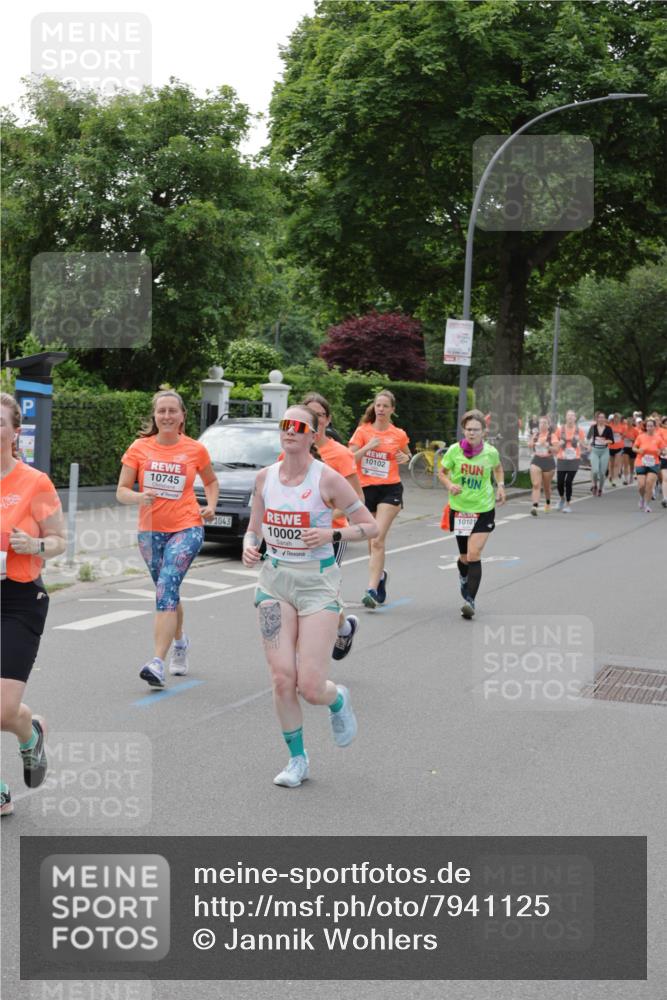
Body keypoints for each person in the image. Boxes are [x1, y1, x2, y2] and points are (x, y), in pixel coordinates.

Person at [242, 404, 378, 788]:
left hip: (317, 587)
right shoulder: (264, 479)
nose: (290, 431)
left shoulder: (329, 479)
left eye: (299, 426)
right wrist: (250, 546)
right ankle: (297, 760)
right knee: (282, 678)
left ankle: (338, 700)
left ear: (313, 435)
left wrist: (331, 535)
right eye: (285, 424)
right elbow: (254, 529)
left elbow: (368, 527)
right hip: (274, 584)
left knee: (310, 686)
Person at [116, 390, 219, 688]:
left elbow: (211, 481)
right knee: (167, 591)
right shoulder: (139, 448)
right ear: (155, 416)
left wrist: (210, 505)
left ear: (183, 415)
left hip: (187, 526)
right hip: (149, 531)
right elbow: (121, 490)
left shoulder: (195, 450)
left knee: (167, 585)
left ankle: (157, 662)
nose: (167, 416)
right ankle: (181, 642)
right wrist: (139, 496)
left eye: (173, 410)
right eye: (162, 411)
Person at [1, 393, 66, 816]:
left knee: (4, 710)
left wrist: (35, 543)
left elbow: (60, 541)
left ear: (14, 432)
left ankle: (30, 733)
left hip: (19, 600)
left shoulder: (34, 482)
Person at [301, 393, 363, 660]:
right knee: (300, 590)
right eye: (309, 414)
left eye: (320, 415)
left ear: (327, 419)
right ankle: (341, 628)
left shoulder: (340, 454)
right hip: (299, 535)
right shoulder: (293, 449)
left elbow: (357, 498)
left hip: (332, 534)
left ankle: (337, 631)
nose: (315, 420)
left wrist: (325, 517)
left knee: (324, 590)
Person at [438, 409, 506, 619]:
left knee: (474, 553)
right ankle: (464, 578)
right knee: (464, 557)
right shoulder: (454, 452)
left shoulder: (490, 452)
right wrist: (449, 485)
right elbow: (441, 472)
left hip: (483, 509)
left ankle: (470, 601)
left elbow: (498, 468)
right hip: (460, 509)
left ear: (483, 432)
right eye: (468, 429)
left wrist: (501, 485)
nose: (472, 433)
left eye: (476, 430)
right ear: (463, 430)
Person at [348, 390, 410, 609]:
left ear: (392, 409)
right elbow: (349, 459)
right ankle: (380, 576)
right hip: (366, 491)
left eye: (385, 406)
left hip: (390, 490)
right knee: (372, 541)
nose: (381, 409)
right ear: (374, 408)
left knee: (377, 538)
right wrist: (368, 447)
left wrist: (404, 457)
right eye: (378, 405)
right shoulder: (363, 431)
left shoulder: (398, 434)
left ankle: (371, 590)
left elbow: (406, 455)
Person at [554, 411, 588, 513]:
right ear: (565, 417)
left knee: (568, 482)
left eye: (572, 416)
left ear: (575, 418)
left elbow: (584, 445)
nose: (570, 418)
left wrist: (582, 444)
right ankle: (561, 498)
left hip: (574, 459)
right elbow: (555, 444)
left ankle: (568, 505)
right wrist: (559, 443)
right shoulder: (560, 430)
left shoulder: (579, 430)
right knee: (560, 482)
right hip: (562, 458)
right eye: (568, 416)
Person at [528, 416, 558, 515]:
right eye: (541, 423)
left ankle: (548, 503)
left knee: (546, 487)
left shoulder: (552, 436)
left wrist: (547, 445)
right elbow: (530, 445)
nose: (542, 425)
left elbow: (556, 450)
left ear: (548, 425)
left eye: (545, 423)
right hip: (537, 460)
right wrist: (532, 444)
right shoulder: (535, 435)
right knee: (536, 484)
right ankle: (534, 506)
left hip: (548, 461)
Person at [632, 416, 662, 513]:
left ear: (654, 427)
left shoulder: (658, 438)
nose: (649, 428)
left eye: (651, 426)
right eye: (648, 426)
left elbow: (663, 449)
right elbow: (634, 448)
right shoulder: (641, 436)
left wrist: (660, 451)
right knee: (641, 485)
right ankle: (641, 497)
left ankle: (646, 505)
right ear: (646, 427)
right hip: (641, 462)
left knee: (649, 484)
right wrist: (638, 450)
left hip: (653, 463)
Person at [586, 412, 614, 496]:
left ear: (605, 419)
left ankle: (600, 488)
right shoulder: (593, 427)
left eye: (603, 417)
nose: (601, 419)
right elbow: (588, 438)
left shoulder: (608, 428)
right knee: (595, 471)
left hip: (604, 451)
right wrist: (589, 445)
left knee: (602, 473)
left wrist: (605, 441)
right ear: (597, 419)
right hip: (595, 450)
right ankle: (594, 485)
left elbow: (612, 441)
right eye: (599, 417)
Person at [608, 413, 625, 487]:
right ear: (613, 418)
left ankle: (614, 479)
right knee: (611, 463)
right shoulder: (609, 426)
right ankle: (611, 475)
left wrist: (620, 435)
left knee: (616, 464)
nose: (617, 419)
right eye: (615, 418)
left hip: (619, 446)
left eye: (618, 418)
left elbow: (624, 436)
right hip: (610, 446)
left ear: (620, 419)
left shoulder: (622, 426)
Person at [621, 417, 638, 486]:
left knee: (631, 465)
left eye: (630, 422)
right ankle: (625, 478)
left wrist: (632, 439)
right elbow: (620, 438)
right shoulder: (624, 429)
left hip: (632, 448)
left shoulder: (635, 430)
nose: (628, 423)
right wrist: (623, 436)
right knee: (625, 464)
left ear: (632, 423)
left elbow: (638, 441)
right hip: (625, 448)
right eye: (627, 422)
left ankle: (631, 476)